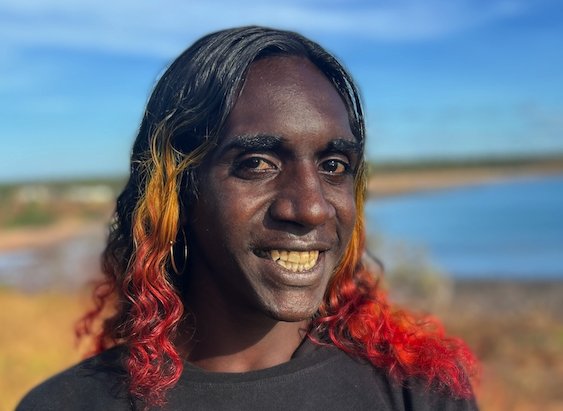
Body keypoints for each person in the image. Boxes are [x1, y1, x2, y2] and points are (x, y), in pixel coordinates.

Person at [17, 26, 478, 411]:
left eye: (334, 165)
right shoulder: (68, 404)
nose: (312, 208)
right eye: (257, 163)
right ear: (178, 190)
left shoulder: (417, 391)